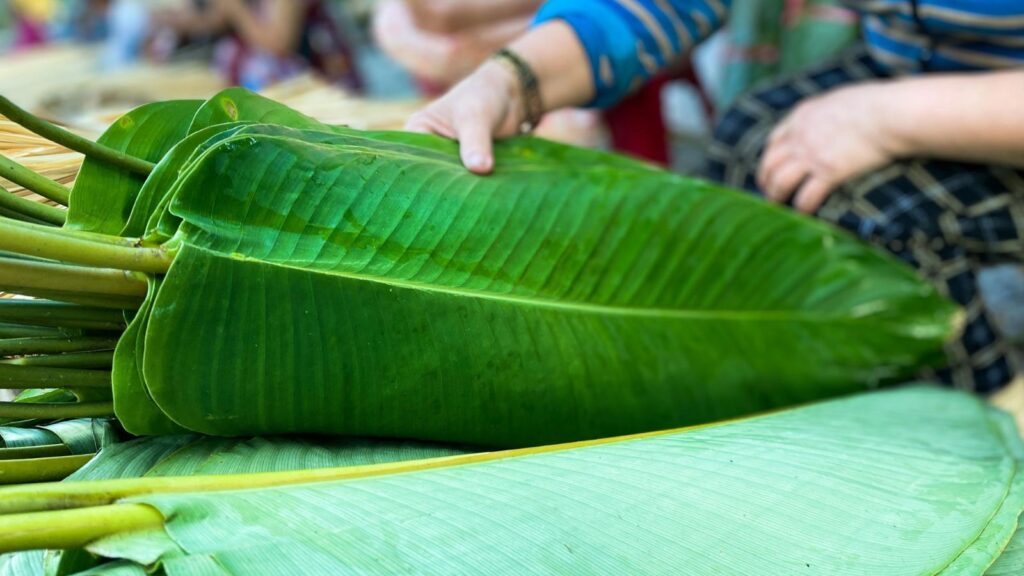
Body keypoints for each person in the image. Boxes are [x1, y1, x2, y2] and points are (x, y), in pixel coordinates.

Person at [407, 1, 1024, 398]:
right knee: (752, 144)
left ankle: (974, 427)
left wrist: (889, 119)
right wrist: (513, 80)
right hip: (920, 67)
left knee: (868, 210)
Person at [154, 0, 360, 91]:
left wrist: (236, 8)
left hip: (309, 82)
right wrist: (180, 21)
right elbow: (215, 21)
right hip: (265, 84)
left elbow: (278, 43)